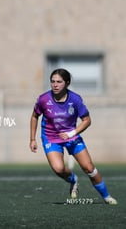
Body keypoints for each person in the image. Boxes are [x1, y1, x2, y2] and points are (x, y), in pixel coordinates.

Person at [30, 68, 117, 205]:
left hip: (72, 137)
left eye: (59, 82)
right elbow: (35, 116)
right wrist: (32, 139)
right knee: (58, 168)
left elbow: (87, 120)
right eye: (52, 81)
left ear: (67, 83)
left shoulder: (75, 100)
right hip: (51, 137)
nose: (55, 85)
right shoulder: (43, 99)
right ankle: (73, 179)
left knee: (89, 168)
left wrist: (72, 133)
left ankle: (107, 197)